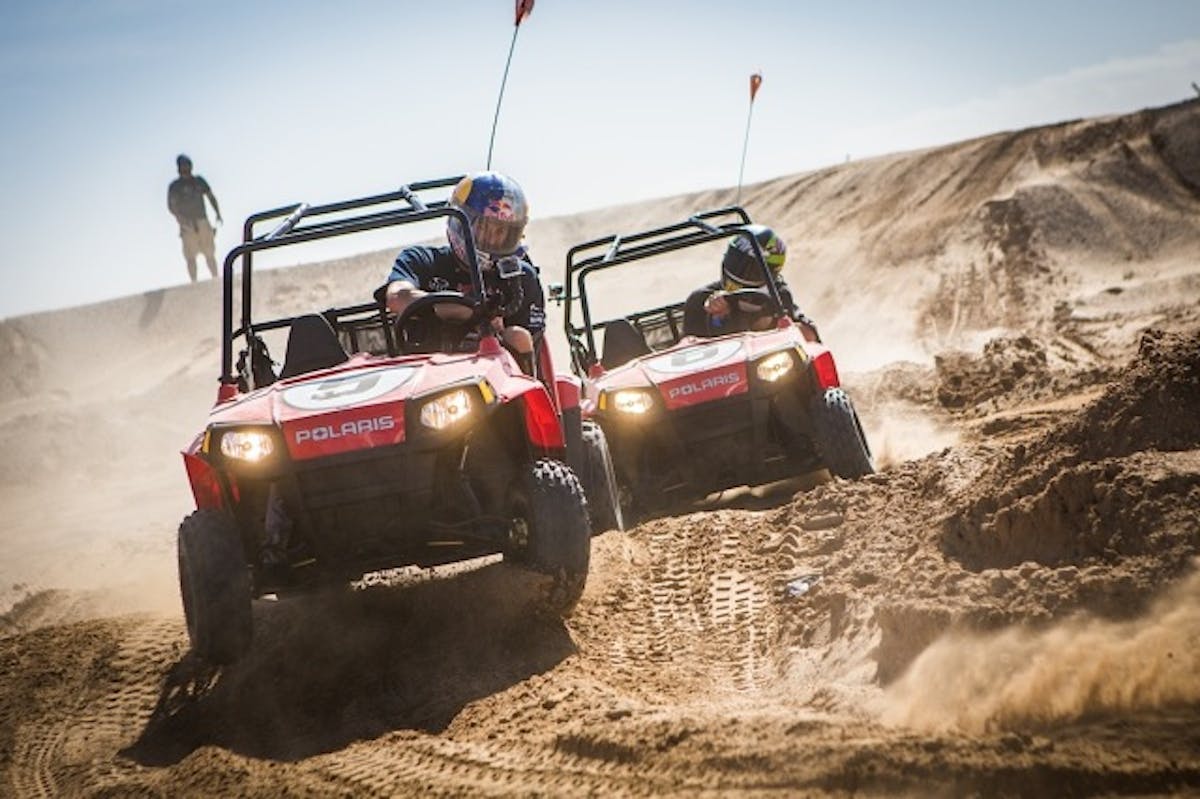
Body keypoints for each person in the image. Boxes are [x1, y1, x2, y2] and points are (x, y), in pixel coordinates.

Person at [377, 171, 545, 375]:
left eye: (502, 232)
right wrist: (464, 309)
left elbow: (527, 341)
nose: (492, 240)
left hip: (501, 381)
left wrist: (497, 330)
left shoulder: (520, 277)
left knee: (517, 336)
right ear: (459, 223)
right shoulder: (422, 260)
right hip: (429, 375)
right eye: (484, 229)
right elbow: (396, 297)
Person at [683, 224, 820, 342]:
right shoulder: (700, 299)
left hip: (769, 366)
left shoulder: (777, 295)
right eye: (736, 261)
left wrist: (771, 324)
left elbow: (810, 335)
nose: (740, 270)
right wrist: (716, 318)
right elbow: (687, 354)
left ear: (770, 272)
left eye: (752, 268)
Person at [167, 154, 223, 282]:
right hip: (187, 225)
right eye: (183, 165)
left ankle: (215, 278)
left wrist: (218, 213)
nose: (186, 167)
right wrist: (181, 220)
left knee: (209, 252)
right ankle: (194, 282)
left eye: (187, 164)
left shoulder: (198, 181)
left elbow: (210, 196)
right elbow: (172, 206)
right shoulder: (175, 186)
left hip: (202, 220)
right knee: (190, 256)